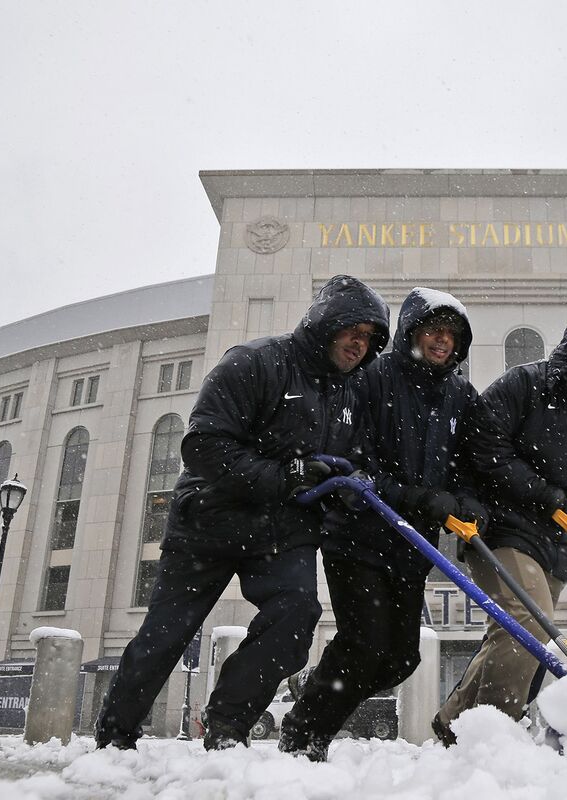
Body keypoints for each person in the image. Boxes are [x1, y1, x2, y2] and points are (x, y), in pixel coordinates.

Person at [95, 275, 390, 751]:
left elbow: (353, 462)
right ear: (325, 324)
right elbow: (203, 444)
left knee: (297, 615)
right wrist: (287, 474)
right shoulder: (255, 362)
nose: (359, 344)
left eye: (368, 338)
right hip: (210, 520)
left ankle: (227, 724)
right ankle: (114, 737)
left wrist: (349, 484)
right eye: (351, 331)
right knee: (166, 636)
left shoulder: (351, 397)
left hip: (284, 531)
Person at [278, 288, 485, 761]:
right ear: (413, 333)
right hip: (359, 532)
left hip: (413, 543)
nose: (442, 342)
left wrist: (465, 501)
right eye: (433, 331)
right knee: (365, 644)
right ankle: (304, 733)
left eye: (451, 335)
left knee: (401, 658)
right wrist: (414, 496)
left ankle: (316, 690)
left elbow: (467, 463)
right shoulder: (372, 378)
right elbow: (354, 457)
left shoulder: (458, 394)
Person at [433, 309, 567, 743]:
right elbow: (483, 444)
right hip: (507, 526)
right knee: (529, 624)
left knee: (513, 631)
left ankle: (454, 722)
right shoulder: (525, 386)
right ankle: (494, 737)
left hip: (561, 545)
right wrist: (541, 493)